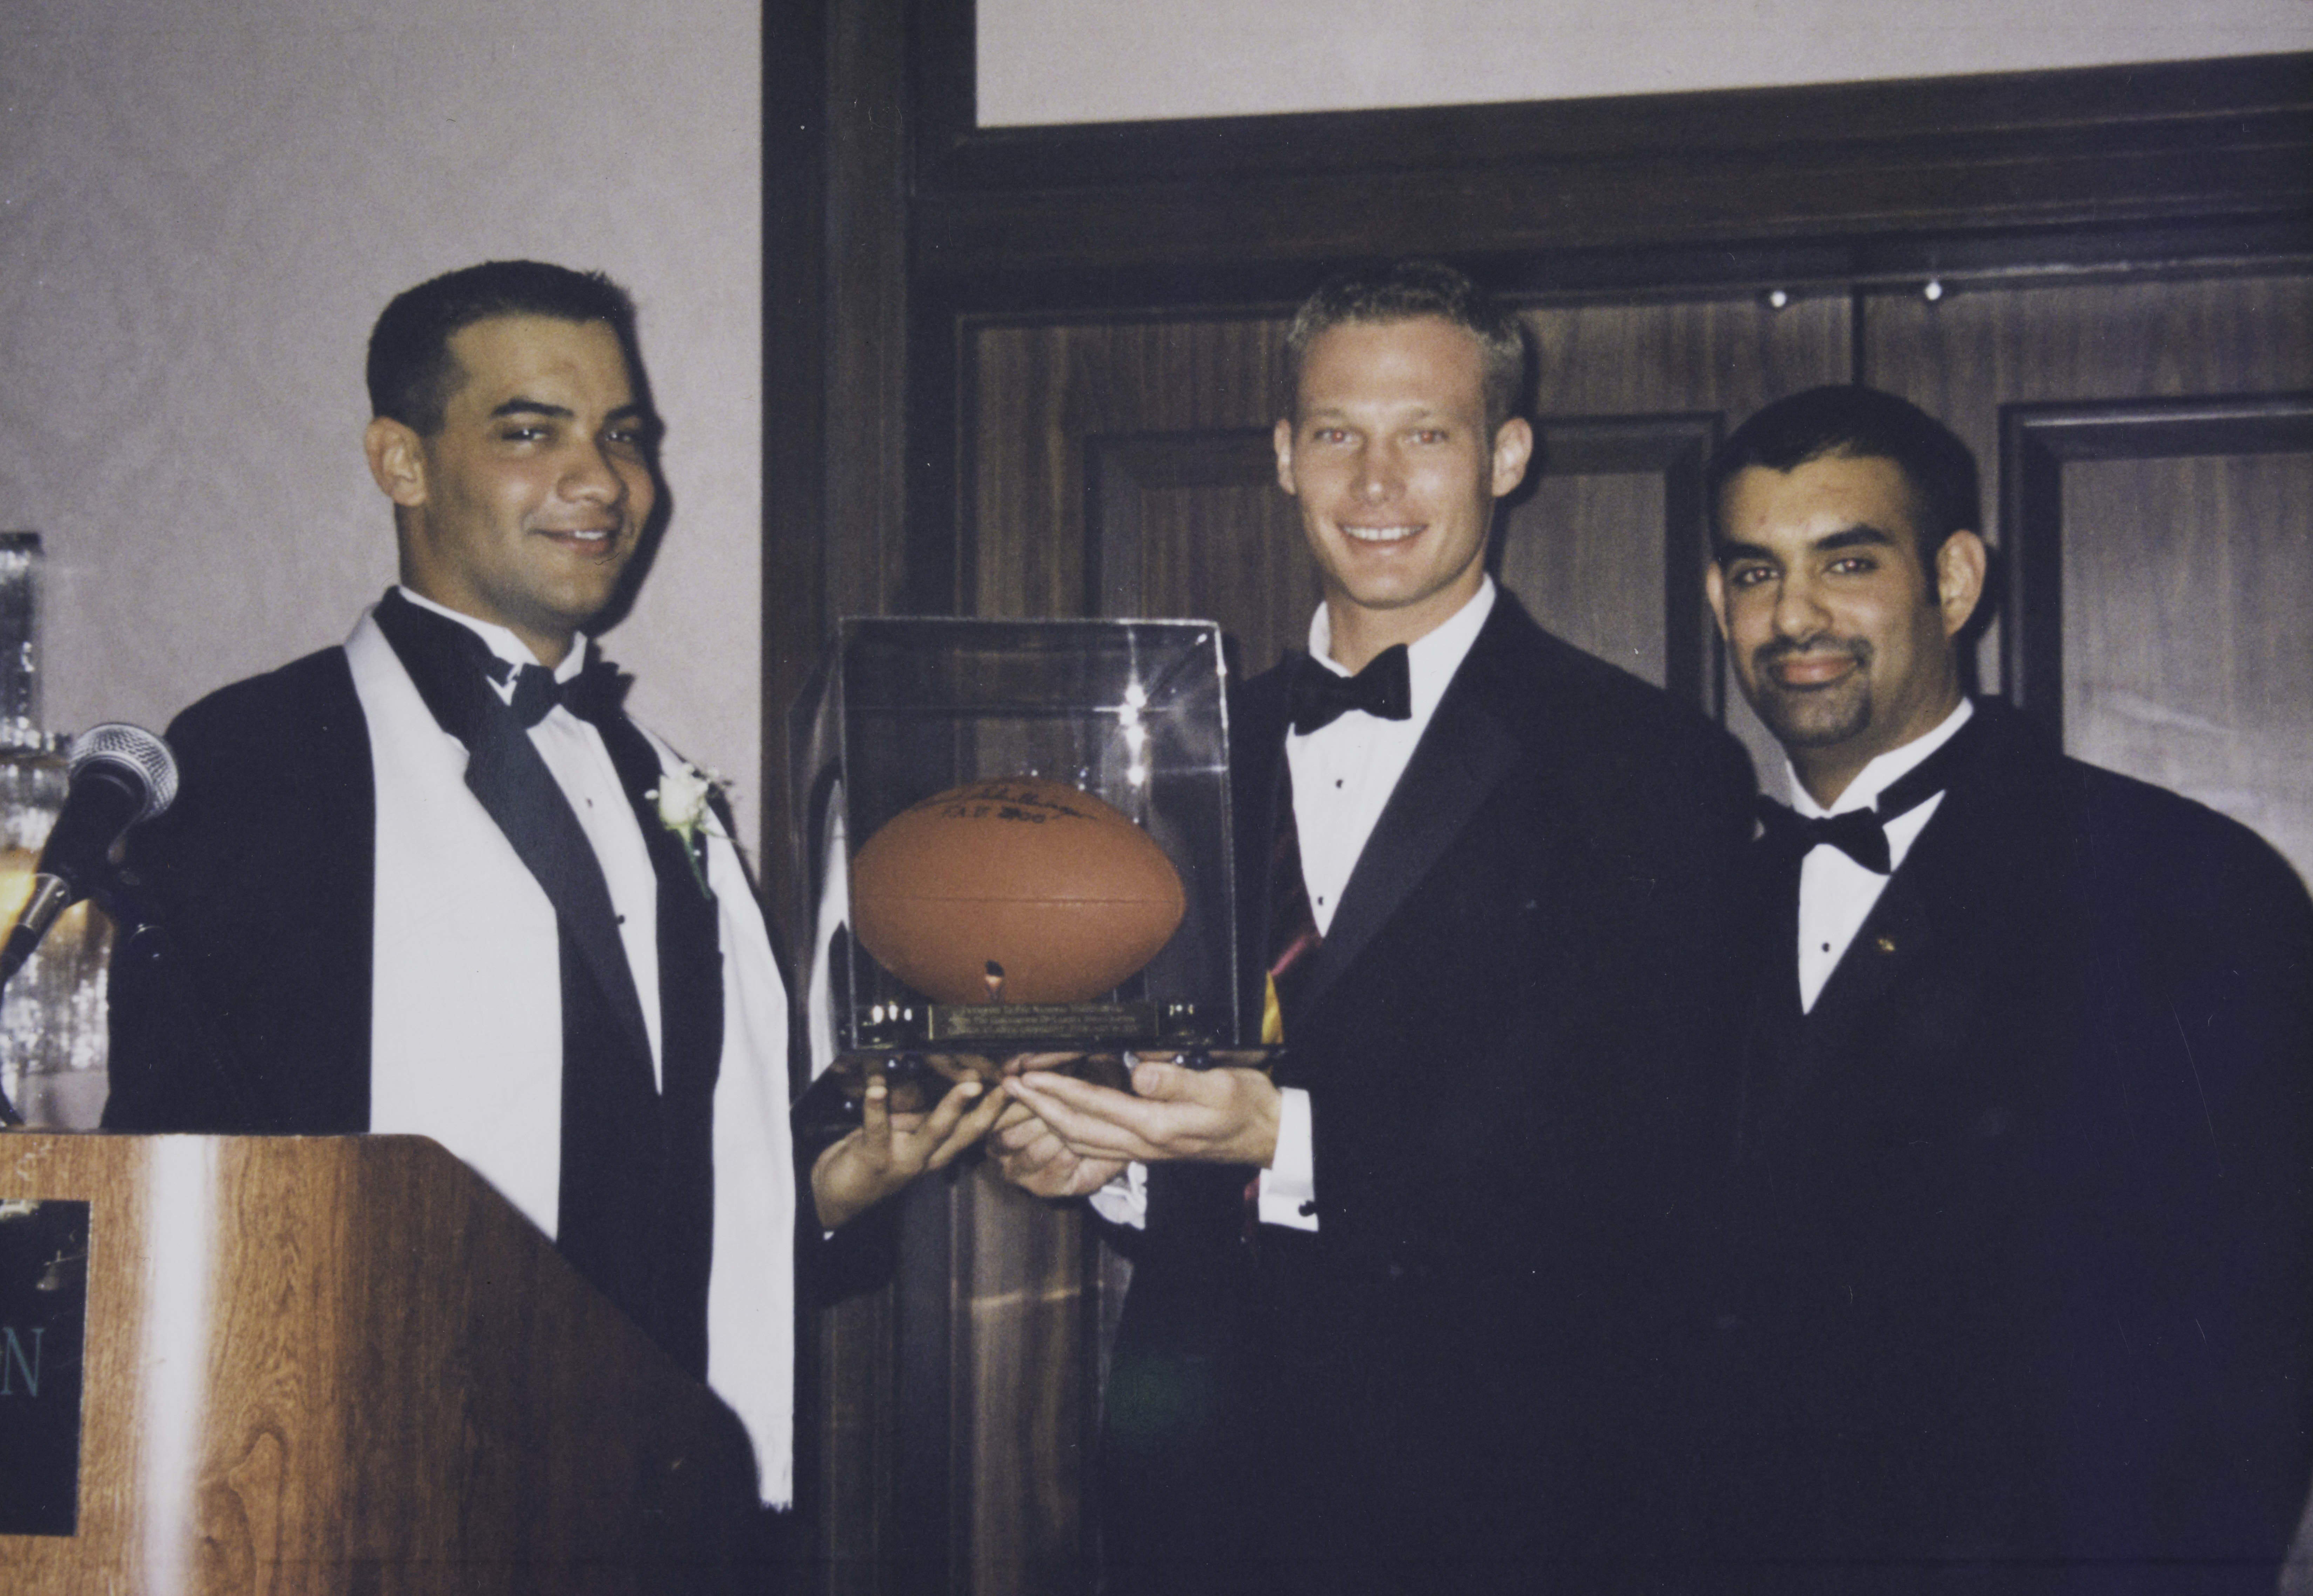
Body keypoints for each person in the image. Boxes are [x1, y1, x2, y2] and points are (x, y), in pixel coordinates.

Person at [101, 260, 997, 1516]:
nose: (602, 481)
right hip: (360, 1491)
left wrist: (833, 1194)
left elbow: (658, 1187)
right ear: (402, 462)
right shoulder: (258, 759)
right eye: (531, 432)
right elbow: (184, 1189)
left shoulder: (657, 783)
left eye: (622, 436)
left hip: (648, 1500)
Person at [989, 260, 1755, 1591]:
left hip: (1508, 1503)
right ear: (1286, 455)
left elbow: (1649, 1161)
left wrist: (1287, 1137)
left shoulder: (1654, 766)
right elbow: (1180, 1121)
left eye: (1427, 435)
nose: (1376, 484)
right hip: (1202, 1506)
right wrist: (1107, 1158)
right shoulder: (1182, 758)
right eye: (1339, 434)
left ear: (1507, 455)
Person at [1695, 384, 2313, 1588]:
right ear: (1720, 603)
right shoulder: (1693, 904)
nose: (1797, 615)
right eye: (1758, 573)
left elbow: (2256, 1355)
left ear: (1956, 580)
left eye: (1848, 562)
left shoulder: (2177, 887)